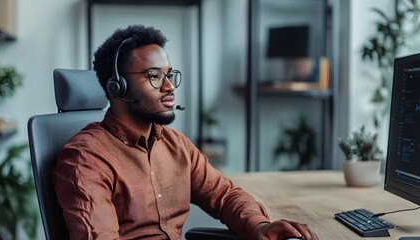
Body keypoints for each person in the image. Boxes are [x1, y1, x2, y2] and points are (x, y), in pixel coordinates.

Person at [54, 25, 318, 240]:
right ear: (117, 87)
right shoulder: (86, 159)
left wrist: (259, 226)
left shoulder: (175, 145)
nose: (169, 87)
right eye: (154, 76)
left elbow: (225, 196)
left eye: (170, 75)